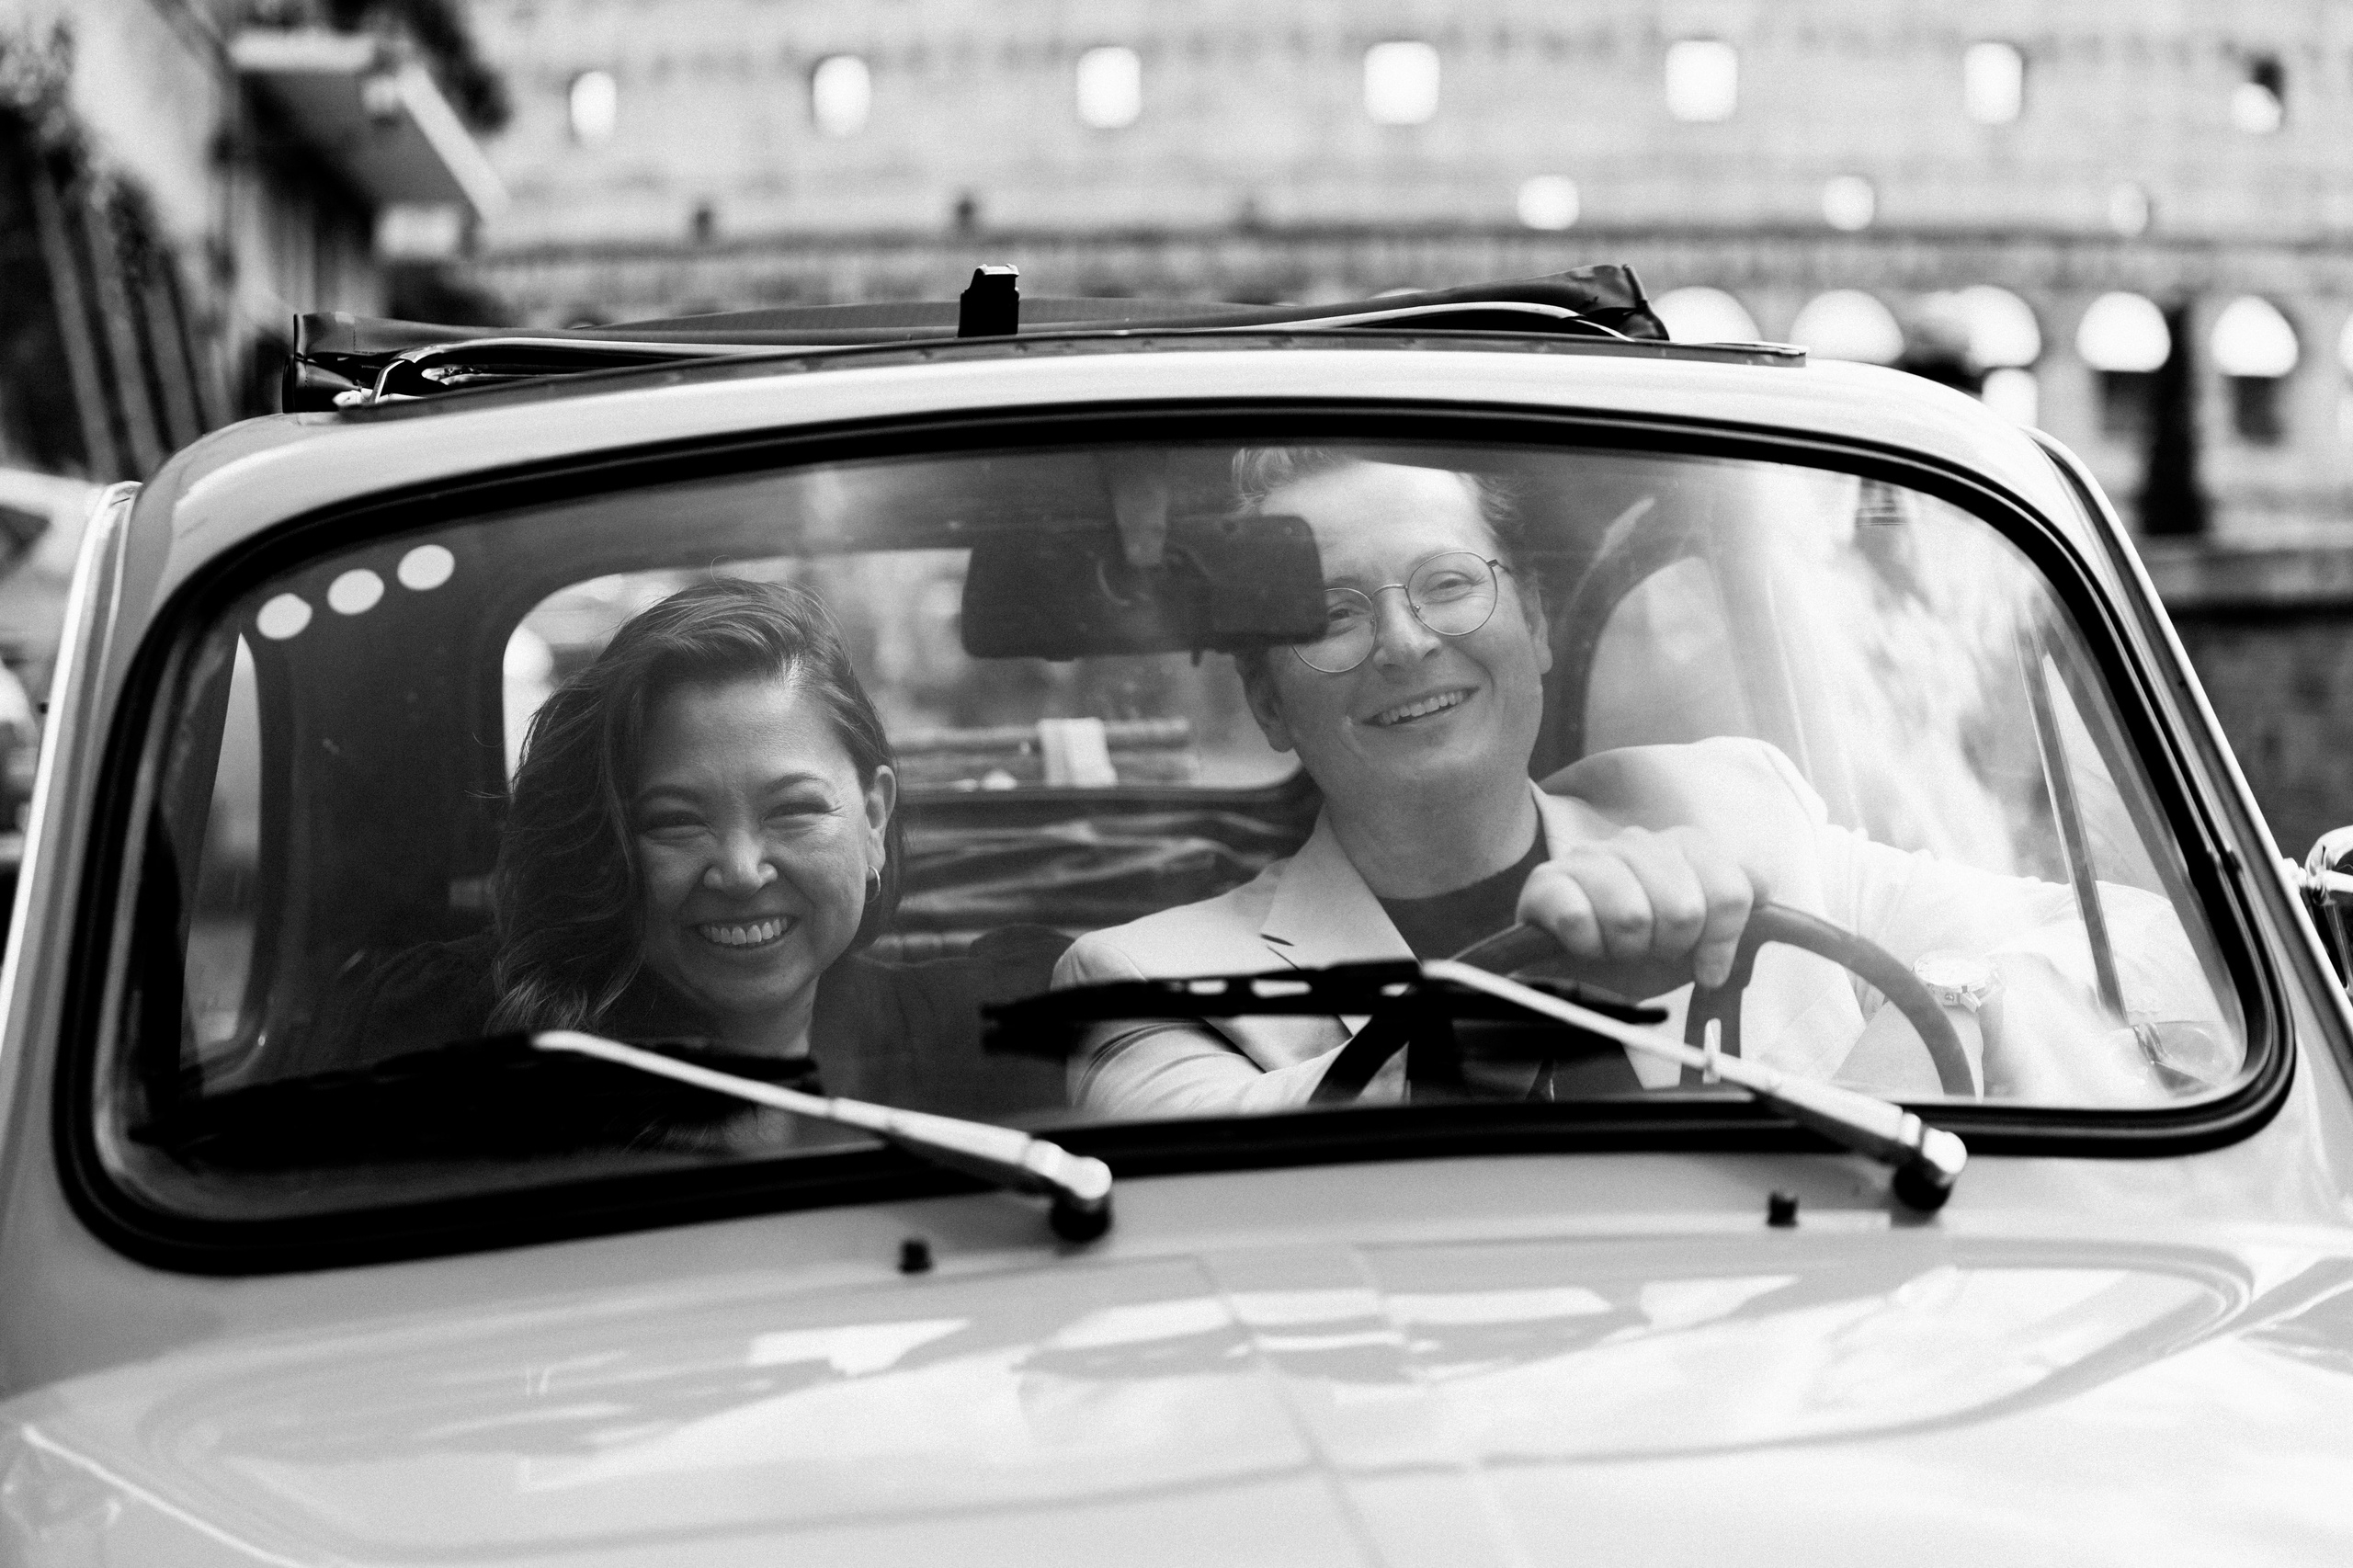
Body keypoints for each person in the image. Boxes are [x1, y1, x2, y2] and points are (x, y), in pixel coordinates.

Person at [1054, 449, 2224, 1116]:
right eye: (1332, 614)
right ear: (1268, 704)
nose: (1407, 644)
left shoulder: (1733, 809)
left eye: (1449, 584)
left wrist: (1950, 1010)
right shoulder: (1143, 980)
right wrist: (1516, 1009)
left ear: (1539, 631)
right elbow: (1217, 1163)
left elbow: (2162, 953)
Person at [317, 578, 1065, 1126]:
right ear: (612, 841)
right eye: (676, 823)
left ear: (873, 816)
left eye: (794, 810)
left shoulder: (1000, 1035)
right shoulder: (456, 1049)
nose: (740, 870)